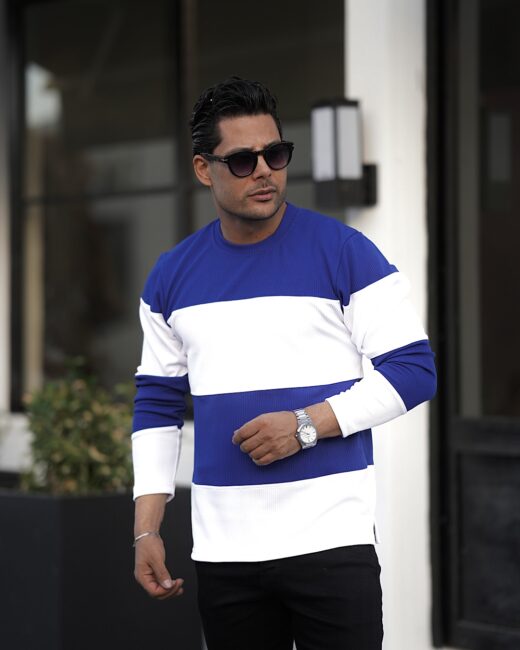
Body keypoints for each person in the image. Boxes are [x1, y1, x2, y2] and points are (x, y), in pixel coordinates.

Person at [131, 77, 436, 650]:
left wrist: (304, 425)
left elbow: (414, 370)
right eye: (242, 161)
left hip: (332, 544)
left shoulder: (344, 251)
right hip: (224, 552)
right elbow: (157, 403)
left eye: (275, 154)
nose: (264, 171)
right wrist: (146, 527)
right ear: (203, 169)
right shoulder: (171, 276)